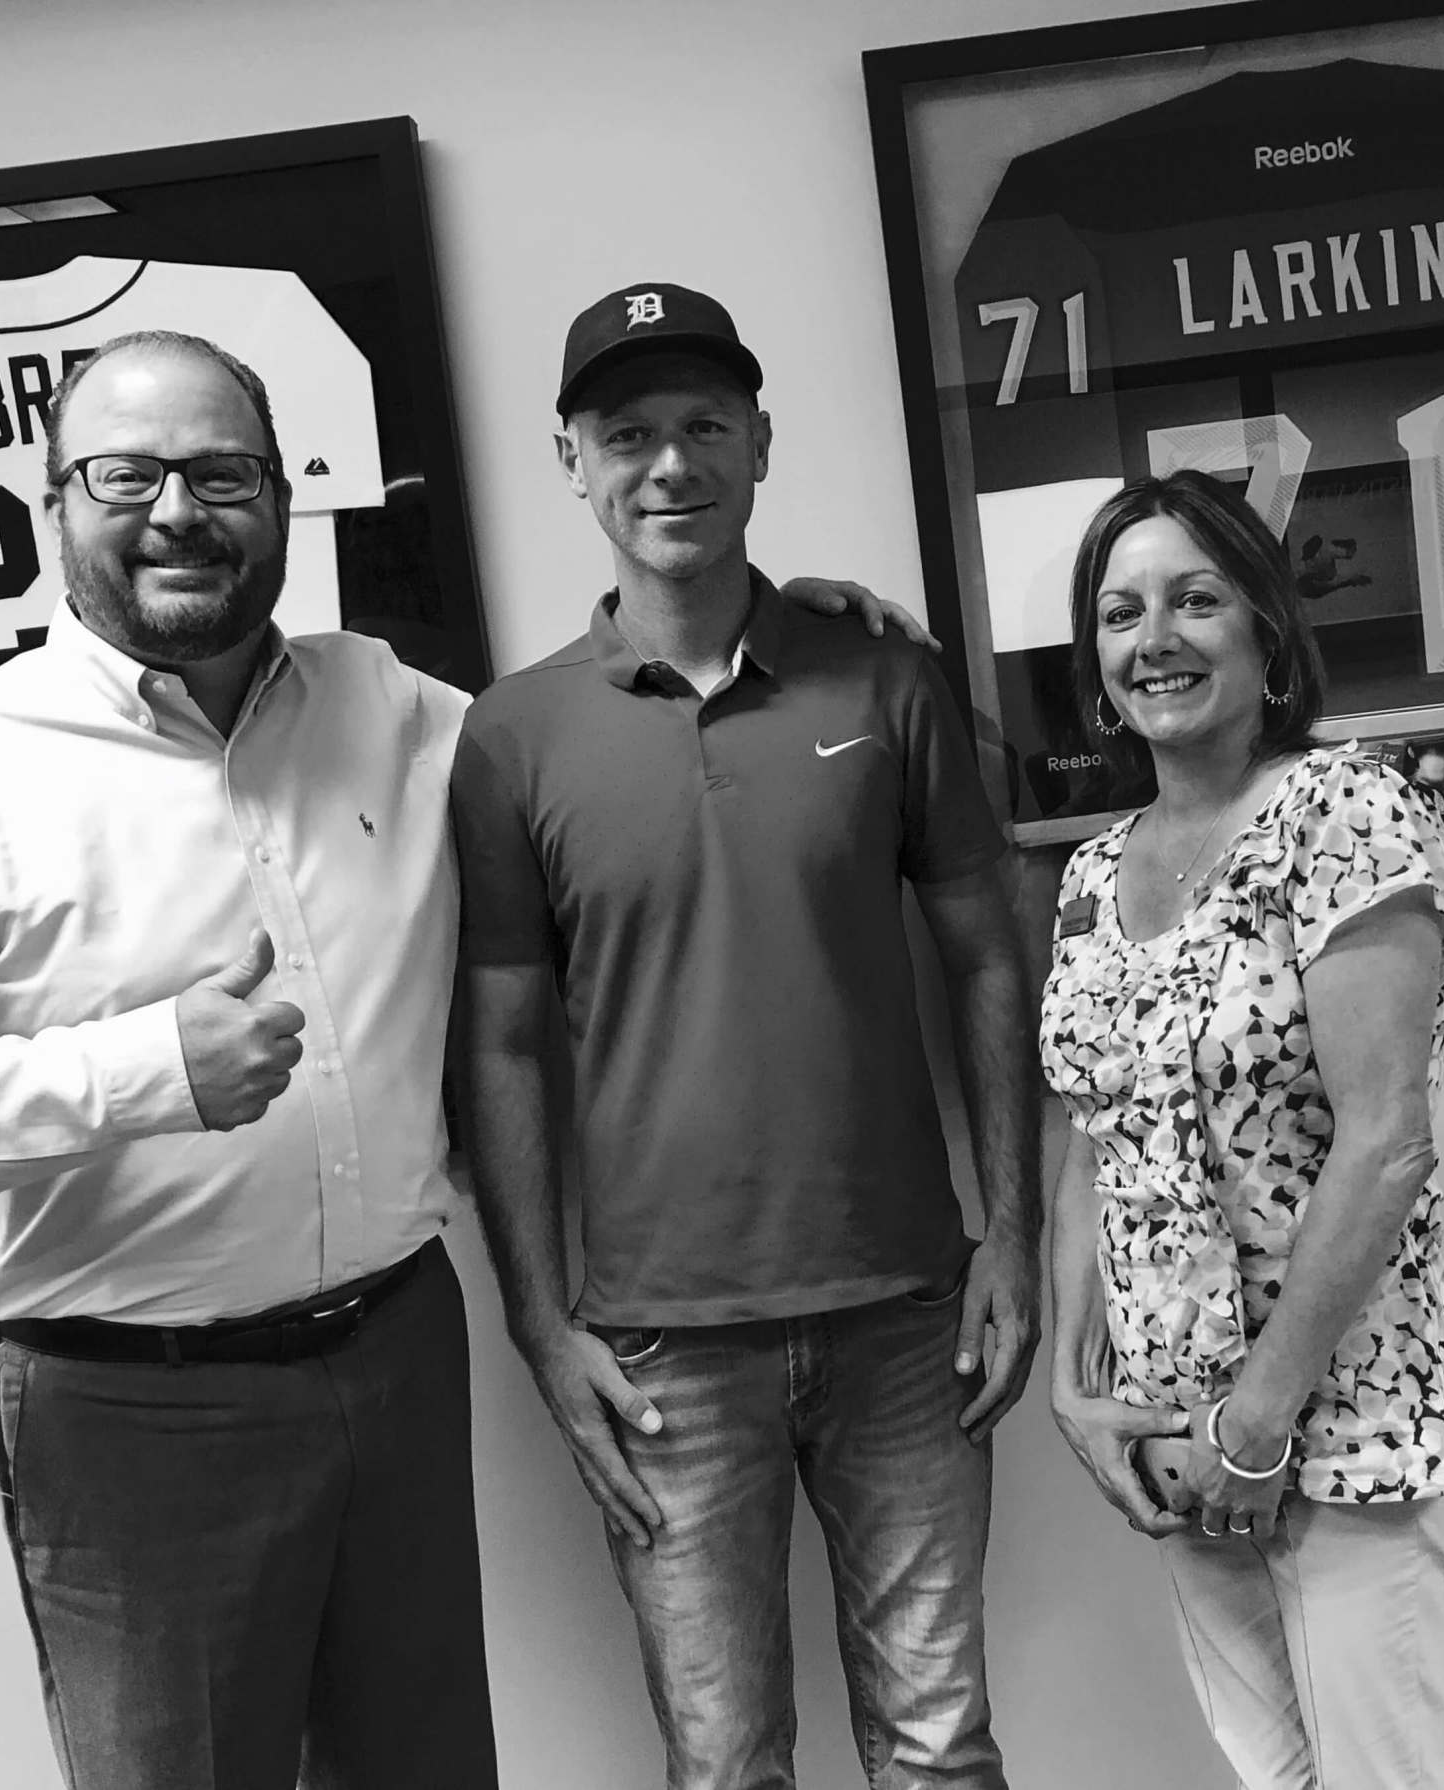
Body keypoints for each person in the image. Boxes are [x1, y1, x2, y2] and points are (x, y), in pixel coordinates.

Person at [0, 325, 924, 1790]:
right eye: (127, 473)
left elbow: (602, 735)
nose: (179, 509)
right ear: (57, 500)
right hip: (128, 1406)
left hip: (392, 1355)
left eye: (223, 472)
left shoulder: (398, 710)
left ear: (283, 502)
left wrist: (786, 634)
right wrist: (146, 1071)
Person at [449, 282, 1041, 1790]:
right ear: (570, 461)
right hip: (658, 1345)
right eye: (629, 432)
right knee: (723, 1765)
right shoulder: (512, 735)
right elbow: (503, 1042)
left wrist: (1015, 1241)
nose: (670, 465)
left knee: (937, 1743)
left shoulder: (883, 676)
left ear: (761, 443)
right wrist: (537, 1318)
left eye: (705, 425)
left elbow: (987, 955)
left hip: (907, 1309)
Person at [1040, 469, 1444, 1789]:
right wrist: (1082, 1387)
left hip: (1331, 1418)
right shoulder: (1089, 873)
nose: (1154, 638)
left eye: (1196, 599)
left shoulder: (1343, 811)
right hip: (1179, 1435)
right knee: (1272, 1781)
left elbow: (1385, 1139)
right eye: (1121, 612)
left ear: (1267, 632)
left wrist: (1260, 1420)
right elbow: (1093, 1131)